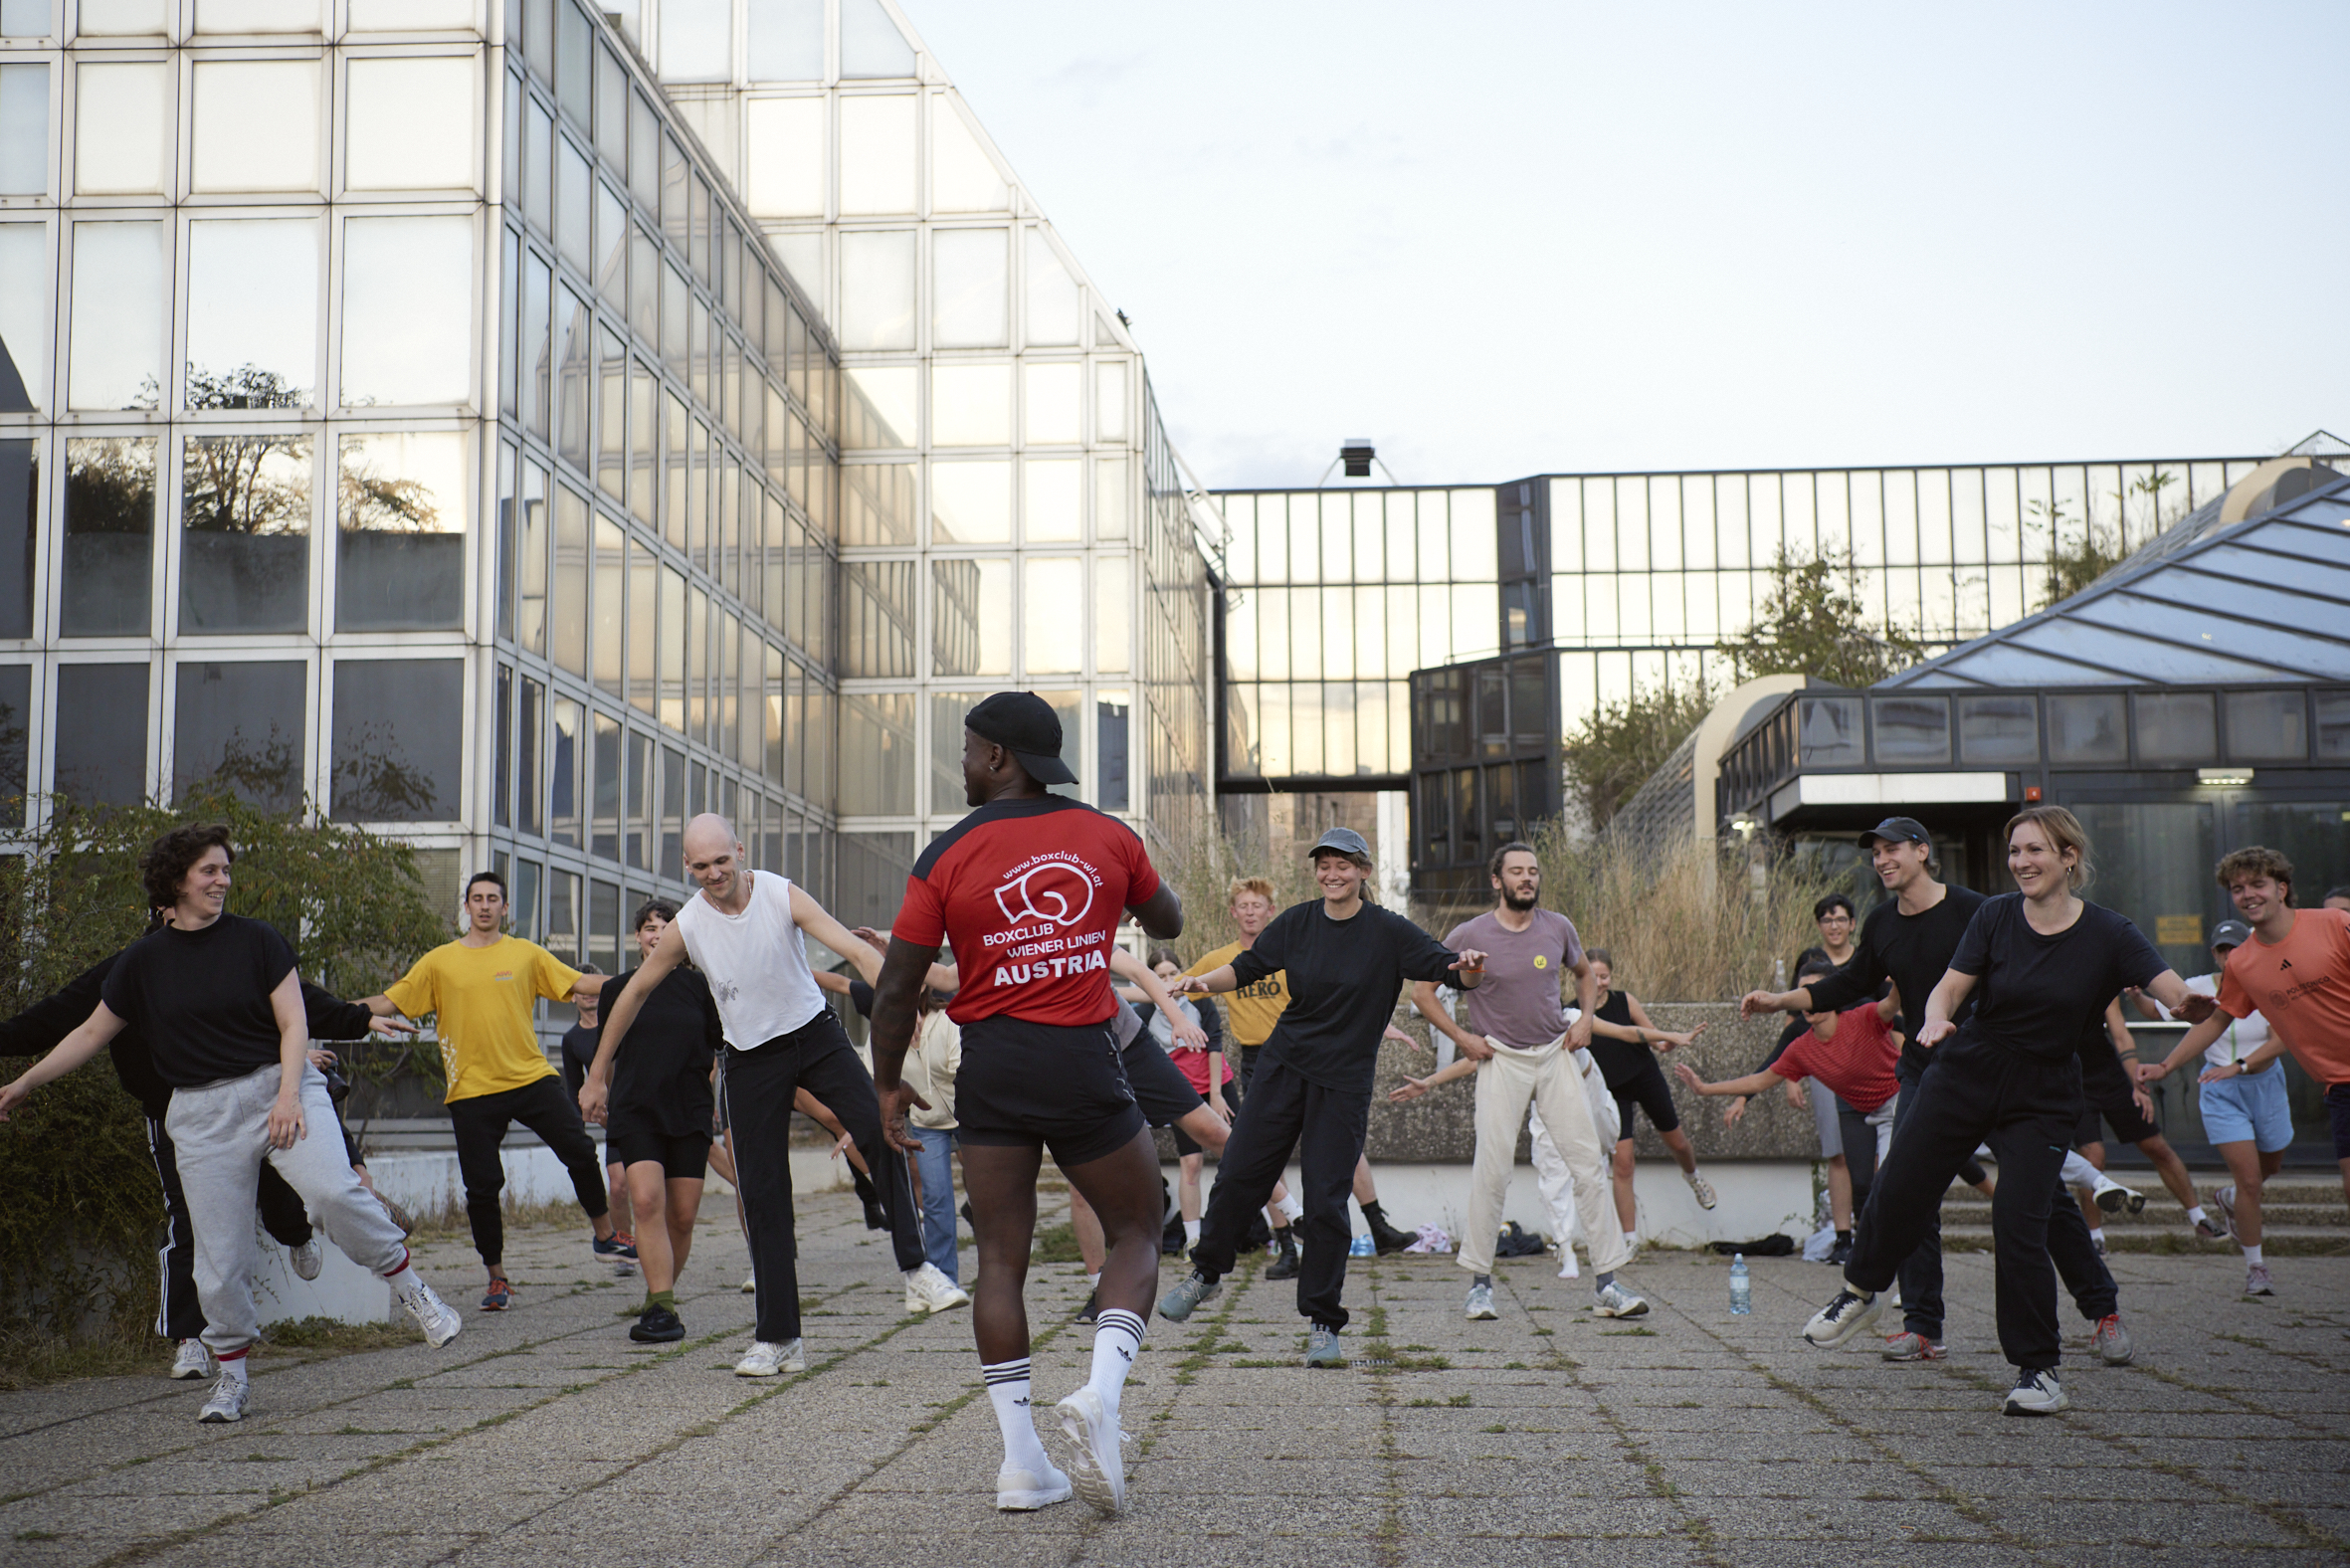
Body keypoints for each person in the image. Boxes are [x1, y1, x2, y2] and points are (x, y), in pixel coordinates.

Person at [0, 825, 462, 1422]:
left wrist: (291, 1094)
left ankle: (412, 1290)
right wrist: (24, 1082)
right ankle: (232, 1379)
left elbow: (296, 1022)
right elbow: (88, 1032)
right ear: (175, 883)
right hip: (198, 1112)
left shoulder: (257, 941)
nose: (222, 881)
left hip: (278, 1088)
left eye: (225, 870)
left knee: (330, 1191)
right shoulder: (139, 963)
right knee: (218, 1258)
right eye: (209, 872)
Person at [866, 690, 1187, 1517]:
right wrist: (1102, 904)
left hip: (993, 1069)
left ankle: (1021, 1466)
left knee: (1000, 1260)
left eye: (968, 749)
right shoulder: (1109, 836)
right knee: (1139, 1227)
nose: (963, 763)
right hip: (1080, 1060)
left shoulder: (946, 853)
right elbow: (1170, 919)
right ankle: (1100, 1397)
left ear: (1001, 757)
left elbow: (897, 987)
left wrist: (887, 1080)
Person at [1798, 807, 2201, 1417]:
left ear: (2068, 857)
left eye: (2035, 850)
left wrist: (2197, 1004)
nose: (2021, 862)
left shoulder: (2110, 933)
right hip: (1968, 1068)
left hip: (2042, 1091)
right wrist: (1935, 1018)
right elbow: (1951, 987)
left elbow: (2173, 993)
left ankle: (2038, 1371)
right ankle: (1861, 1291)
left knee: (2020, 1221)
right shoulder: (1994, 916)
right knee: (1902, 1177)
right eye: (2015, 852)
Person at [585, 815, 960, 1380]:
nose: (714, 874)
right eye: (702, 866)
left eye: (722, 861)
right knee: (763, 1196)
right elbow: (633, 994)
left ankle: (918, 1270)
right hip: (750, 1059)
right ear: (688, 867)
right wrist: (596, 1075)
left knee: (876, 1124)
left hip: (814, 1036)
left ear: (739, 851)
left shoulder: (782, 894)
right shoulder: (687, 926)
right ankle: (779, 1338)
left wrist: (898, 1006)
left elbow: (855, 953)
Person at [0, 928, 418, 1379]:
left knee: (284, 1197)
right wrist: (21, 1081)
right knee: (191, 1224)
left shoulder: (237, 951)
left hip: (256, 1102)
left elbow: (303, 1004)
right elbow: (59, 1023)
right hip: (178, 1117)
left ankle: (296, 1235)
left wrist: (357, 1021)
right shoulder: (131, 968)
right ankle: (191, 1338)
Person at [1160, 828, 1485, 1372]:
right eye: (1324, 865)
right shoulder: (1297, 922)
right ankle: (1205, 1275)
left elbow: (1455, 971)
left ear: (1363, 871)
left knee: (1329, 1199)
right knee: (1241, 1171)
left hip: (1343, 1081)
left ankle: (1322, 1322)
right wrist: (1197, 984)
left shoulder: (1388, 931)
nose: (1332, 874)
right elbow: (1246, 968)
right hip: (1284, 1068)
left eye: (1343, 865)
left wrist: (1471, 963)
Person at [1393, 841, 1647, 1321]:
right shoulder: (1470, 931)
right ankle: (1479, 1286)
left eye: (1533, 871)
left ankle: (1609, 1284)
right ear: (1497, 880)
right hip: (1501, 1059)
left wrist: (1587, 1018)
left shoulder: (1558, 927)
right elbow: (1423, 991)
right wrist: (1464, 1038)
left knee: (1589, 1166)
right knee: (1492, 1172)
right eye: (1516, 871)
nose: (1527, 878)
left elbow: (1583, 975)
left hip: (1555, 1055)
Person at [364, 872, 630, 1312]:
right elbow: (390, 1002)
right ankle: (497, 1277)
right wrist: (328, 1010)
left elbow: (581, 984)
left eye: (493, 899)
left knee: (580, 1150)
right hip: (471, 1090)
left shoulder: (525, 954)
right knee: (483, 1188)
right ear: (466, 908)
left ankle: (605, 1235)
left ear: (505, 908)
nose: (485, 905)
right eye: (477, 899)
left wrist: (646, 979)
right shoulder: (439, 962)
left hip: (530, 1078)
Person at [2139, 848, 2350, 1261]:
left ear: (2281, 888)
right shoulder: (2243, 963)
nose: (2248, 894)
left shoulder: (2335, 924)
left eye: (2258, 884)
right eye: (2238, 888)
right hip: (2340, 1088)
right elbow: (2218, 1021)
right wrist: (2167, 1065)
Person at [1183, 879, 1377, 1268]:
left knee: (1337, 1143)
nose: (1251, 911)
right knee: (1264, 1156)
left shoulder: (1295, 949)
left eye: (1259, 905)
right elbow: (1176, 986)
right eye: (1244, 905)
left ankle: (1375, 1223)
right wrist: (1119, 985)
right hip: (1261, 1062)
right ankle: (1287, 1245)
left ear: (1271, 911)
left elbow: (1340, 996)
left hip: (1311, 1055)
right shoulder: (1221, 959)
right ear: (1234, 913)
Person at [579, 900, 721, 1343]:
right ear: (637, 937)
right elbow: (605, 1049)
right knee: (645, 1202)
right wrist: (595, 1084)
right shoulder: (616, 989)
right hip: (637, 1108)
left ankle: (660, 1297)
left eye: (667, 926)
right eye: (648, 927)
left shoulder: (702, 987)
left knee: (682, 1215)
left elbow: (718, 1045)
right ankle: (663, 1308)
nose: (657, 934)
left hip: (689, 1108)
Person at [2128, 919, 2287, 1292]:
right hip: (2218, 1087)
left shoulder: (2269, 983)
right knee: (2249, 1180)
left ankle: (2229, 1199)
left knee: (2271, 1166)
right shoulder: (2200, 988)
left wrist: (2242, 1066)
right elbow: (2165, 1013)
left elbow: (2282, 1040)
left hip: (2265, 1083)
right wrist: (2164, 1063)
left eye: (2236, 948)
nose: (2229, 956)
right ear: (2214, 953)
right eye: (2222, 949)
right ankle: (2256, 1267)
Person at [1676, 962, 1902, 1219]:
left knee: (1890, 1183)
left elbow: (1891, 1005)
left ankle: (1904, 1251)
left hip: (1899, 1101)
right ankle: (1868, 1252)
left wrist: (1899, 973)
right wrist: (1704, 1089)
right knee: (1862, 1185)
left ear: (1834, 993)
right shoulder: (1801, 1049)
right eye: (1802, 995)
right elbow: (1759, 1080)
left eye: (1814, 993)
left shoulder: (1863, 1016)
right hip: (1864, 1110)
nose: (1807, 1002)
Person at [1582, 949, 1716, 1250]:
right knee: (1623, 1163)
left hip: (1643, 1076)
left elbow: (1648, 1033)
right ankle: (1629, 1240)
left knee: (1678, 1141)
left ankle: (1693, 1177)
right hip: (1610, 1090)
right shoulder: (1574, 1011)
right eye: (1593, 976)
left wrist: (1665, 1042)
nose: (1599, 982)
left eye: (1604, 976)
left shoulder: (1624, 1001)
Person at [2067, 997, 2216, 1251]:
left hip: (2110, 1077)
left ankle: (2198, 1216)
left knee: (2155, 1146)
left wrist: (2137, 1082)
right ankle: (2095, 1237)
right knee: (2093, 1158)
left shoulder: (2098, 976)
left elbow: (2121, 1034)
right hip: (2072, 1080)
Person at [558, 969, 636, 1276]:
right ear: (573, 996)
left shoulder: (622, 1023)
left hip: (641, 1108)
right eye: (582, 988)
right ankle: (623, 1249)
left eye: (594, 986)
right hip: (613, 1121)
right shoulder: (571, 1040)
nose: (589, 993)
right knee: (617, 1187)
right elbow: (575, 1092)